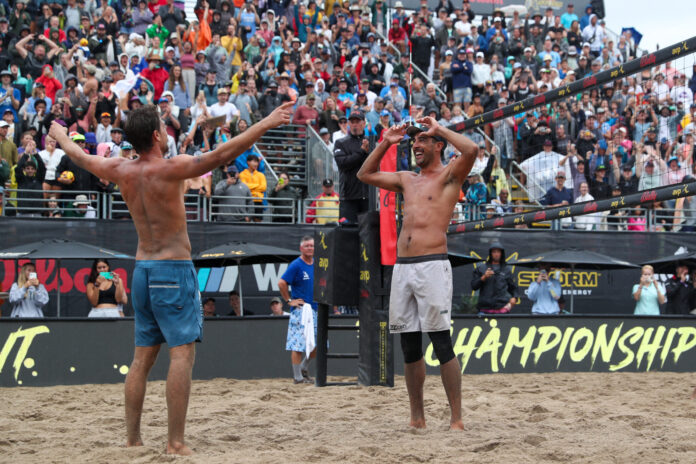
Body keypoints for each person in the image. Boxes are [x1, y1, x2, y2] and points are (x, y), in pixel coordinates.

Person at [47, 100, 293, 455]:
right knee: (181, 356)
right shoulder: (171, 168)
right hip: (173, 269)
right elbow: (224, 153)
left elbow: (80, 157)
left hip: (143, 269)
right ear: (157, 136)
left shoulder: (120, 169)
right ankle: (175, 442)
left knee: (141, 359)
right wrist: (267, 121)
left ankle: (133, 438)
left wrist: (58, 133)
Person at [357, 116, 479, 430]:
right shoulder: (407, 178)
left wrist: (439, 129)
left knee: (441, 342)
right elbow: (364, 173)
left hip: (432, 265)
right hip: (403, 267)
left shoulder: (450, 176)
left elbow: (472, 149)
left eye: (422, 139)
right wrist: (387, 141)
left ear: (438, 145)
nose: (416, 144)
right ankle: (417, 418)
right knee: (409, 346)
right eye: (415, 141)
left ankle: (456, 419)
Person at [278, 236, 317, 385]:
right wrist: (289, 300)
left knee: (316, 343)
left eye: (312, 246)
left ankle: (304, 368)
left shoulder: (316, 264)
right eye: (307, 246)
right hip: (301, 310)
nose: (310, 248)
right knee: (298, 344)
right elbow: (282, 283)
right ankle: (297, 377)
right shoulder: (296, 265)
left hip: (316, 308)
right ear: (301, 248)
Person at [333, 110, 370, 223]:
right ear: (348, 124)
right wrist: (362, 151)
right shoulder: (341, 143)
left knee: (368, 234)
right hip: (349, 196)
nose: (355, 124)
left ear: (364, 123)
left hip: (368, 196)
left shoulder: (371, 142)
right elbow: (343, 164)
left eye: (357, 121)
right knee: (348, 233)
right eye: (352, 121)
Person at [471, 242, 518, 314]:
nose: (496, 254)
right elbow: (474, 286)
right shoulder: (481, 268)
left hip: (502, 310)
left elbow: (513, 288)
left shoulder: (506, 270)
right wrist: (484, 277)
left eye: (498, 252)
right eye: (494, 252)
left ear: (501, 253)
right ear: (490, 253)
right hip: (484, 310)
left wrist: (514, 298)